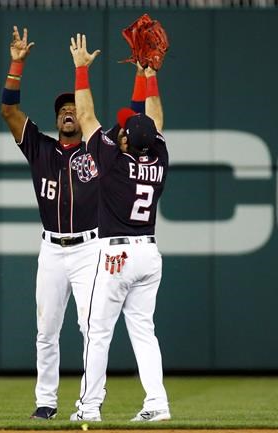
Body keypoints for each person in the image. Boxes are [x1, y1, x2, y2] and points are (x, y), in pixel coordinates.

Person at [0, 26, 103, 420]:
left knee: (92, 329)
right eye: (62, 108)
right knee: (46, 331)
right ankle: (46, 403)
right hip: (52, 249)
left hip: (90, 248)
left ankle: (89, 404)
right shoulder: (40, 148)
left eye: (74, 107)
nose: (68, 111)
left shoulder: (99, 150)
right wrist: (17, 63)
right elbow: (9, 111)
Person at [68, 33, 171, 422]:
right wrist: (148, 74)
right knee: (144, 332)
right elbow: (155, 119)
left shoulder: (113, 161)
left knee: (98, 333)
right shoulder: (157, 157)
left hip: (116, 254)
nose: (120, 129)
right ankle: (157, 404)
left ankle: (89, 408)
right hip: (149, 253)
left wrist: (81, 68)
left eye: (125, 129)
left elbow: (85, 116)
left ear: (127, 139)